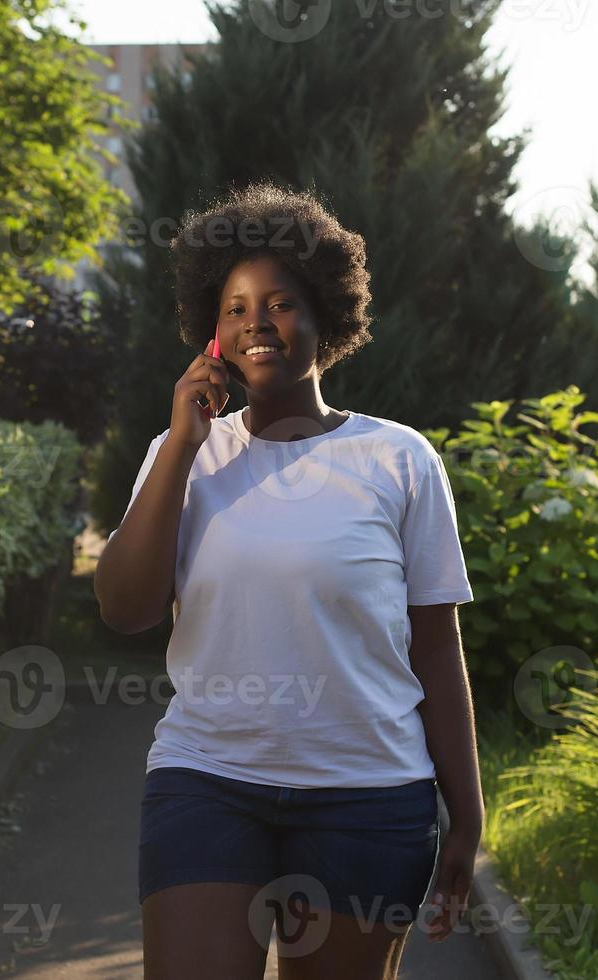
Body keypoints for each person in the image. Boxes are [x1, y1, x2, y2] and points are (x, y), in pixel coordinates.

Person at [94, 181, 484, 980]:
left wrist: (468, 815)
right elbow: (125, 610)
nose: (255, 324)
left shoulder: (399, 460)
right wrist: (179, 443)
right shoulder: (182, 456)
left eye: (279, 304)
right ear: (212, 332)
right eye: (235, 308)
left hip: (368, 795)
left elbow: (437, 650)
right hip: (208, 779)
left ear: (325, 319)